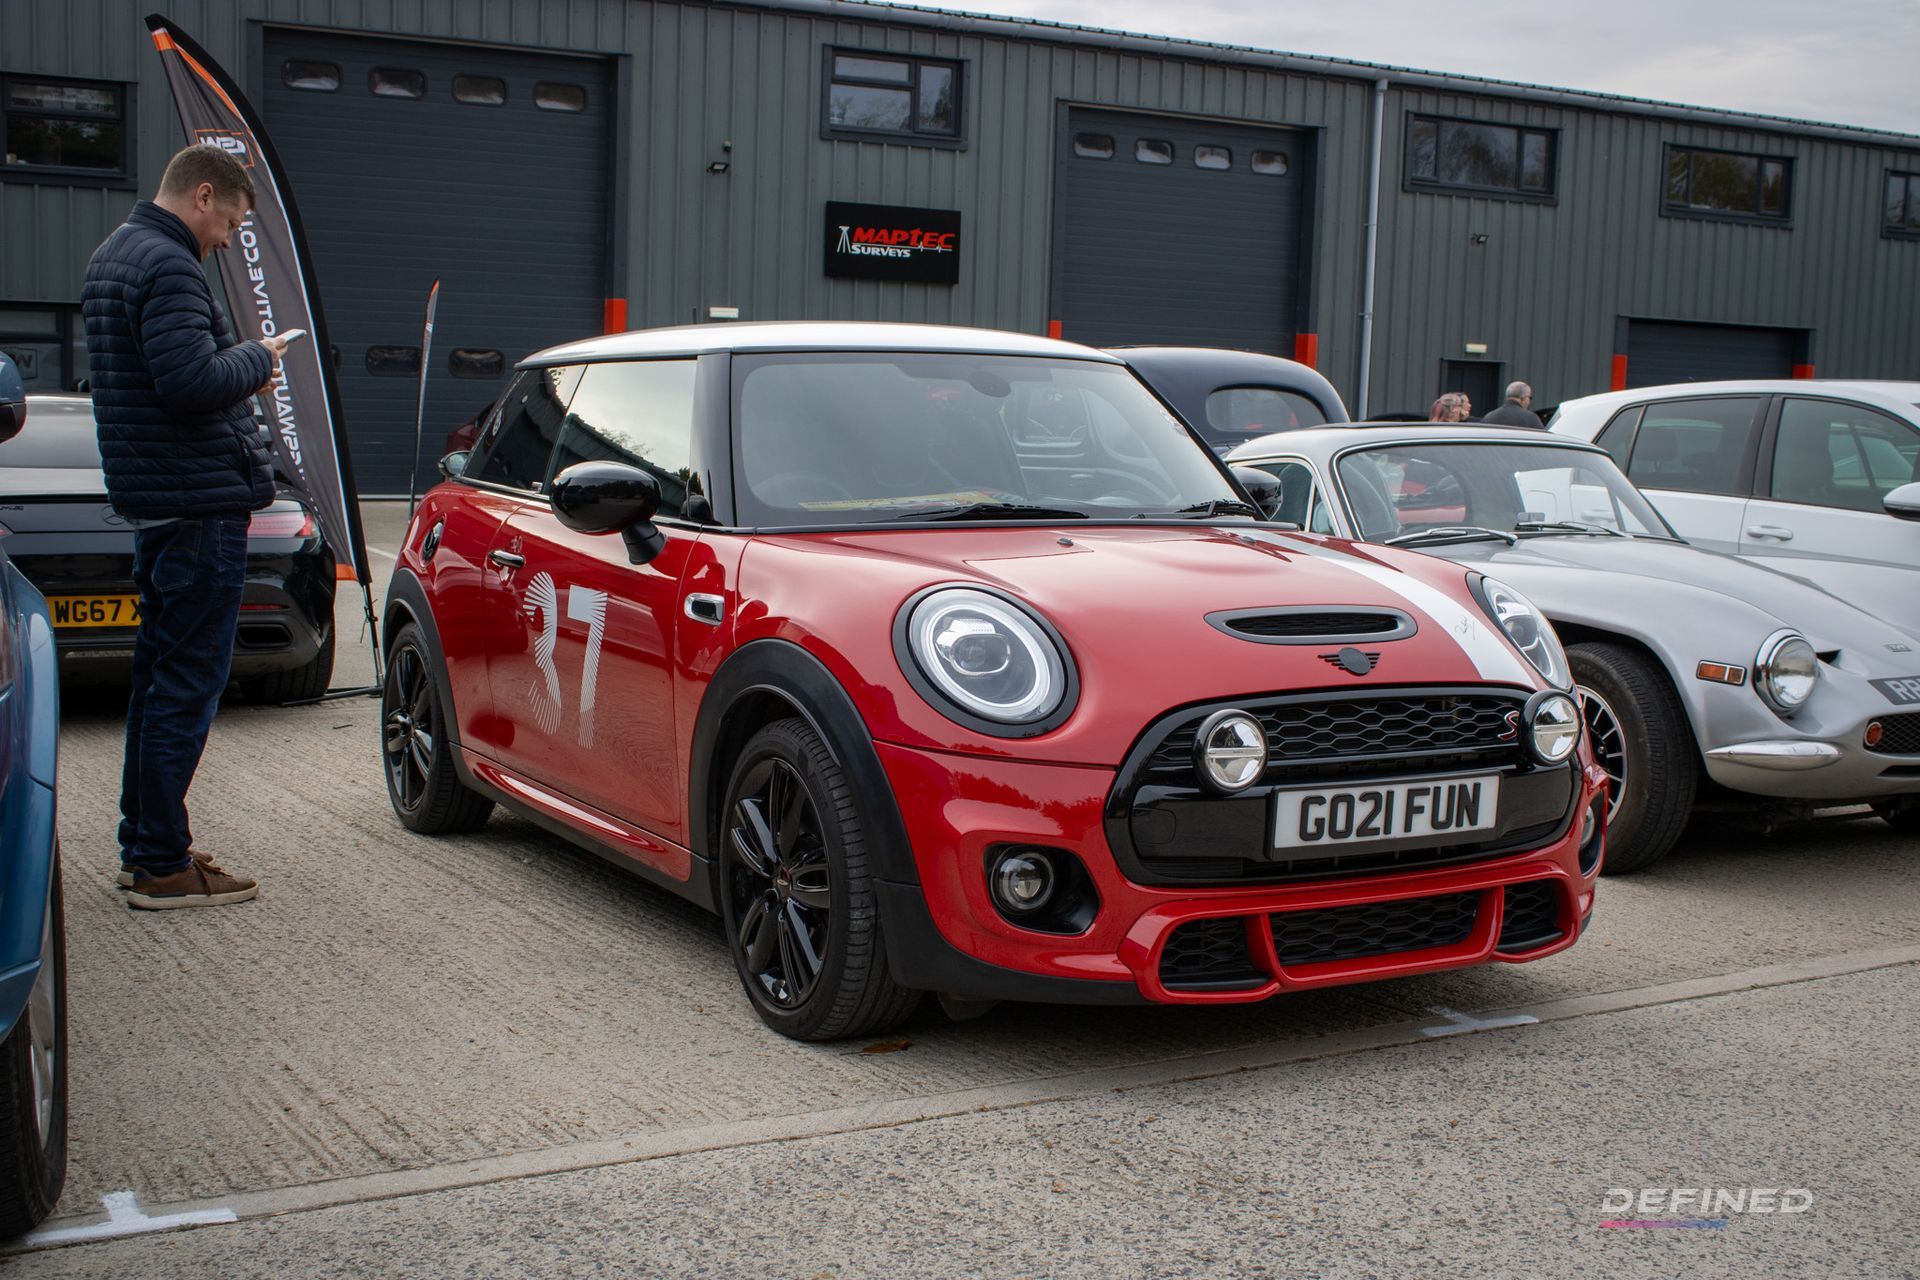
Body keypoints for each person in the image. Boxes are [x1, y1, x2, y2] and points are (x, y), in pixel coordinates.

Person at [81, 144, 289, 910]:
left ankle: (146, 844)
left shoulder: (115, 254)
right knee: (186, 686)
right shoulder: (169, 266)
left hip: (160, 502)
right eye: (229, 221)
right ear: (204, 195)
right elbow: (189, 381)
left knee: (157, 681)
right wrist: (256, 359)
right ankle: (161, 865)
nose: (228, 239)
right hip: (197, 507)